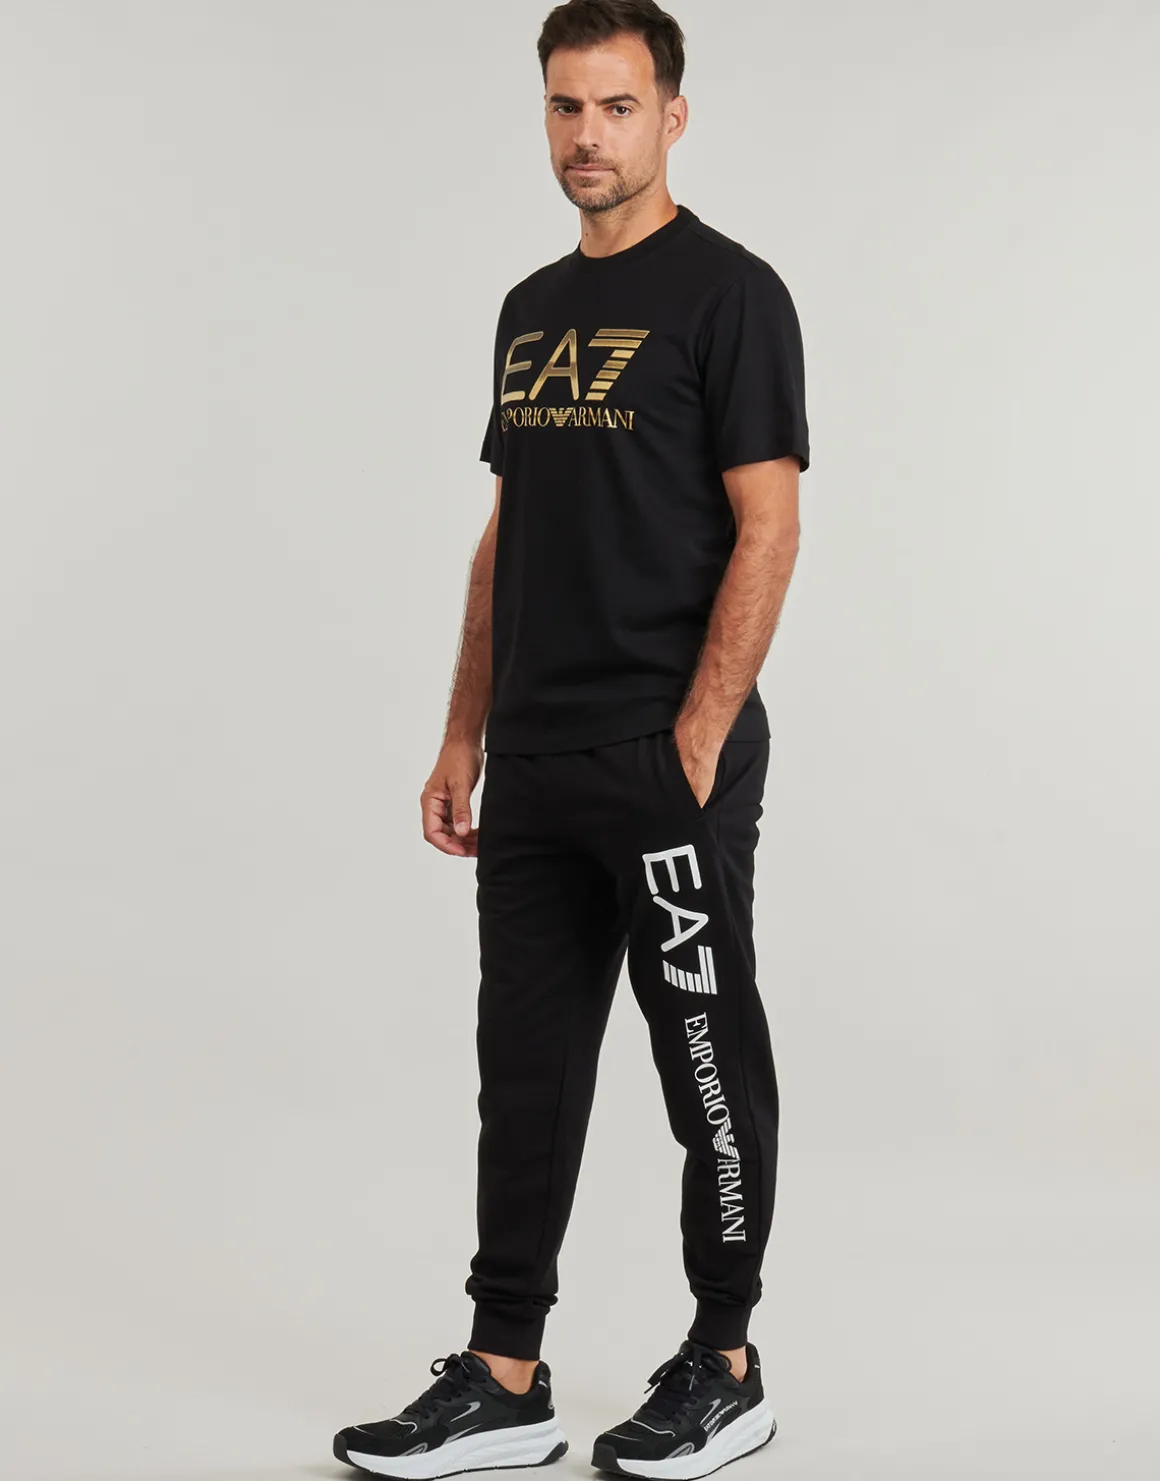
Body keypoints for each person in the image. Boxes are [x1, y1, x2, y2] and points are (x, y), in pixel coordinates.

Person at [333, 1, 809, 1476]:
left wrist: (698, 740)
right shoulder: (531, 309)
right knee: (525, 1070)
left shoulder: (733, 294)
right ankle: (505, 1374)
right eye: (563, 106)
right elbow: (508, 535)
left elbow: (770, 525)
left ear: (673, 116)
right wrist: (462, 733)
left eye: (614, 106)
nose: (585, 135)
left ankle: (725, 1359)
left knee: (704, 1058)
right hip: (535, 758)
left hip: (664, 753)